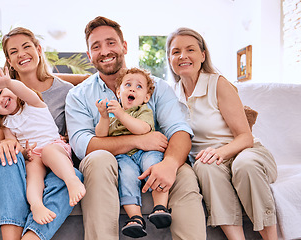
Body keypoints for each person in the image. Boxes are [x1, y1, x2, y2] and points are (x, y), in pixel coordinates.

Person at [65, 16, 206, 240]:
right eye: (96, 46)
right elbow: (84, 146)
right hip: (110, 166)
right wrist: (138, 140)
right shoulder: (78, 95)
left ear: (124, 46)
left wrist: (169, 164)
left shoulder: (157, 87)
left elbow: (179, 130)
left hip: (154, 160)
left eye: (111, 42)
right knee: (98, 159)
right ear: (89, 55)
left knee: (184, 174)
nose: (104, 51)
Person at [166, 27, 278, 240]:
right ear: (170, 58)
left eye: (190, 49)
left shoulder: (218, 83)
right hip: (210, 160)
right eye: (175, 51)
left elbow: (245, 136)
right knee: (204, 166)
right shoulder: (171, 95)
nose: (183, 56)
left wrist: (221, 152)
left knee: (244, 166)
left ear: (202, 55)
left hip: (245, 151)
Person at [0, 27, 84, 240]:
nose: (21, 54)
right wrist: (7, 144)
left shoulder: (66, 91)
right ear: (9, 61)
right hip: (26, 160)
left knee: (73, 175)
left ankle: (33, 236)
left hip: (53, 155)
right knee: (7, 157)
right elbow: (1, 141)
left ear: (38, 49)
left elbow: (74, 131)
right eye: (14, 52)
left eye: (26, 47)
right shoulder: (3, 98)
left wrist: (65, 138)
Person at [0, 65, 85, 225]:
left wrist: (9, 83)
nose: (2, 100)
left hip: (54, 146)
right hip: (35, 155)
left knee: (49, 152)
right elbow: (15, 146)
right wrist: (25, 153)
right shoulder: (7, 124)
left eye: (0, 92)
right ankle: (37, 205)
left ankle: (72, 181)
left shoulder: (33, 103)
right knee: (33, 174)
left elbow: (22, 90)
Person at [95, 67, 170, 238]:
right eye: (127, 85)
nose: (132, 89)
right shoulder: (114, 117)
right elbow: (101, 135)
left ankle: (160, 207)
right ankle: (135, 218)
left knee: (154, 166)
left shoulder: (143, 111)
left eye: (138, 87)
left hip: (146, 152)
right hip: (124, 157)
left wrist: (120, 113)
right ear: (118, 92)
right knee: (127, 176)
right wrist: (104, 117)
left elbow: (142, 129)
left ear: (146, 97)